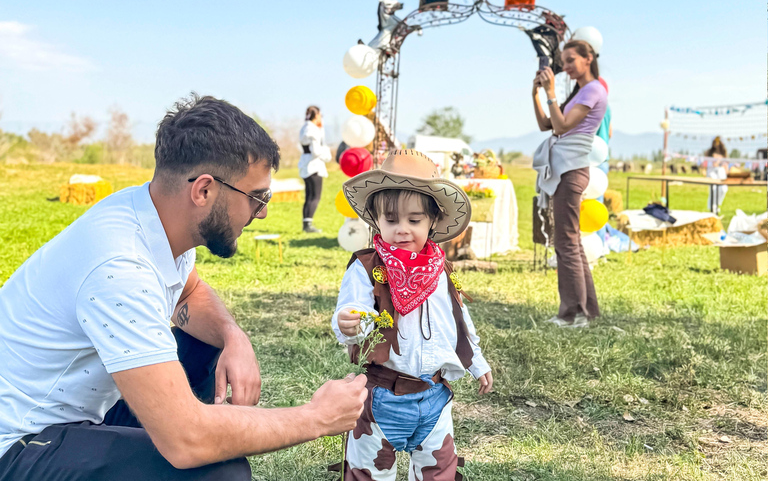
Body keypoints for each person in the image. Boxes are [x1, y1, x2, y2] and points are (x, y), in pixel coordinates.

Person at [0, 95, 368, 481]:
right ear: (204, 191)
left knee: (206, 346)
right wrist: (316, 418)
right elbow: (186, 443)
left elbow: (188, 293)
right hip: (20, 441)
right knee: (218, 473)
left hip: (80, 408)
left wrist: (232, 336)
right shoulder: (119, 267)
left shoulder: (152, 217)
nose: (262, 212)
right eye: (257, 197)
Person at [332, 149, 493, 480]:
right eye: (391, 220)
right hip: (381, 399)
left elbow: (458, 322)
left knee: (438, 472)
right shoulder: (366, 267)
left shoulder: (440, 269)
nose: (402, 230)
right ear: (376, 220)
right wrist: (350, 323)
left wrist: (476, 362)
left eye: (414, 220)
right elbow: (355, 309)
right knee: (368, 472)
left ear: (432, 220)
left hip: (435, 396)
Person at [531, 40, 608, 328]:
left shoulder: (594, 89)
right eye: (563, 61)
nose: (565, 67)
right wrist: (537, 94)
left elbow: (562, 127)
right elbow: (546, 124)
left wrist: (551, 91)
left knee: (566, 242)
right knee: (570, 242)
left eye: (571, 60)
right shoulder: (580, 92)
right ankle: (586, 312)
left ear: (588, 58)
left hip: (571, 170)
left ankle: (571, 314)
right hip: (566, 169)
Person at [298, 105, 332, 233]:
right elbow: (316, 151)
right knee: (315, 196)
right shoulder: (312, 130)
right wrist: (327, 155)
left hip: (305, 164)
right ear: (317, 115)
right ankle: (308, 225)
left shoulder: (304, 128)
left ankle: (306, 224)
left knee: (309, 196)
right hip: (314, 165)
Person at [705, 136, 728, 213]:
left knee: (723, 189)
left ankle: (717, 204)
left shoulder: (724, 152)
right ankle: (712, 207)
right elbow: (711, 164)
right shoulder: (709, 152)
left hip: (721, 172)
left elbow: (725, 164)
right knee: (713, 189)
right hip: (712, 172)